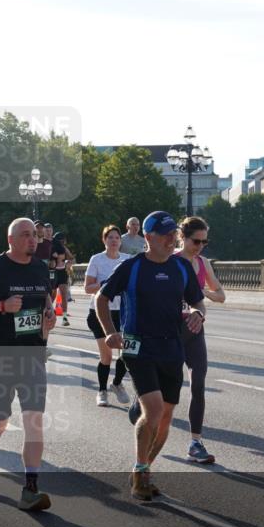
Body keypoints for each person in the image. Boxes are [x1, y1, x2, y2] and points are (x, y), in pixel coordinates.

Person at [96, 211, 205, 501]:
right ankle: (141, 470)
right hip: (138, 346)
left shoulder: (181, 268)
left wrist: (197, 314)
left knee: (166, 417)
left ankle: (143, 470)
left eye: (174, 234)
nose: (173, 239)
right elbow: (101, 298)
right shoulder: (132, 268)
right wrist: (110, 331)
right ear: (148, 237)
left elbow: (198, 302)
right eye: (166, 234)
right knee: (154, 411)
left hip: (172, 346)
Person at [0, 217, 57, 511]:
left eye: (34, 234)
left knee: (35, 422)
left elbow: (46, 297)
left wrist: (49, 315)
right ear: (10, 240)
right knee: (0, 420)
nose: (33, 240)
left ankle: (30, 489)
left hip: (33, 354)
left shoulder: (40, 267)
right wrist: (1, 306)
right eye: (25, 235)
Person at [174, 216, 227, 464]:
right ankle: (140, 402)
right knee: (166, 388)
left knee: (198, 384)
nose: (201, 246)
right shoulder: (170, 261)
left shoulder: (203, 263)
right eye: (196, 241)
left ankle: (195, 442)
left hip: (195, 329)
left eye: (205, 242)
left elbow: (221, 296)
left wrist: (200, 291)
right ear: (182, 237)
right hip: (170, 331)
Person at [84, 225, 129, 407]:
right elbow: (87, 288)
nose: (113, 241)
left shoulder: (128, 260)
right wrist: (105, 284)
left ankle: (116, 384)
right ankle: (102, 390)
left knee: (126, 354)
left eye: (116, 237)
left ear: (120, 241)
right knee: (106, 356)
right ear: (104, 240)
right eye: (110, 237)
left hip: (123, 313)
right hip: (100, 313)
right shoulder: (96, 259)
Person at [51, 231, 74, 325]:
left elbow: (72, 258)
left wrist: (69, 262)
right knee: (52, 295)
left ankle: (64, 318)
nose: (64, 241)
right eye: (62, 240)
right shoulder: (51, 247)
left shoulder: (64, 249)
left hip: (62, 272)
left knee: (64, 295)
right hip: (53, 272)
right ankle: (48, 311)